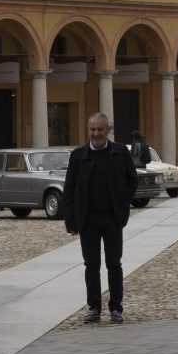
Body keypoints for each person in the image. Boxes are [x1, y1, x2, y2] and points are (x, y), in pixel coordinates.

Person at [61, 113, 137, 324]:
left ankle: (116, 308)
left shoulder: (120, 153)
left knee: (114, 264)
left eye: (100, 129)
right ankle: (94, 307)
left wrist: (122, 205)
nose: (95, 134)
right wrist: (71, 221)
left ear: (107, 130)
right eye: (92, 130)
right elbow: (69, 189)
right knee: (91, 265)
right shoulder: (78, 156)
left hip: (112, 218)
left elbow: (132, 181)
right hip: (88, 220)